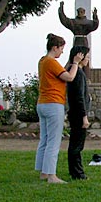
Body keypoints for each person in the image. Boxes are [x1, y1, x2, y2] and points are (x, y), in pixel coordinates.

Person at [35, 33, 84, 184]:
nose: (62, 52)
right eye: (61, 49)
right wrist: (75, 63)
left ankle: (43, 171)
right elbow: (69, 77)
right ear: (55, 47)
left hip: (42, 103)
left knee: (45, 138)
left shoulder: (43, 61)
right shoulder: (51, 62)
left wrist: (70, 62)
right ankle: (51, 175)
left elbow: (59, 72)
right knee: (54, 141)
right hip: (53, 103)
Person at [66, 46, 91, 180]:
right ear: (80, 56)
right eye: (86, 56)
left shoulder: (77, 71)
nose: (88, 59)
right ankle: (77, 173)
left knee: (76, 143)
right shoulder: (78, 74)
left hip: (76, 112)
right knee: (77, 144)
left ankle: (75, 171)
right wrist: (84, 116)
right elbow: (79, 97)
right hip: (78, 114)